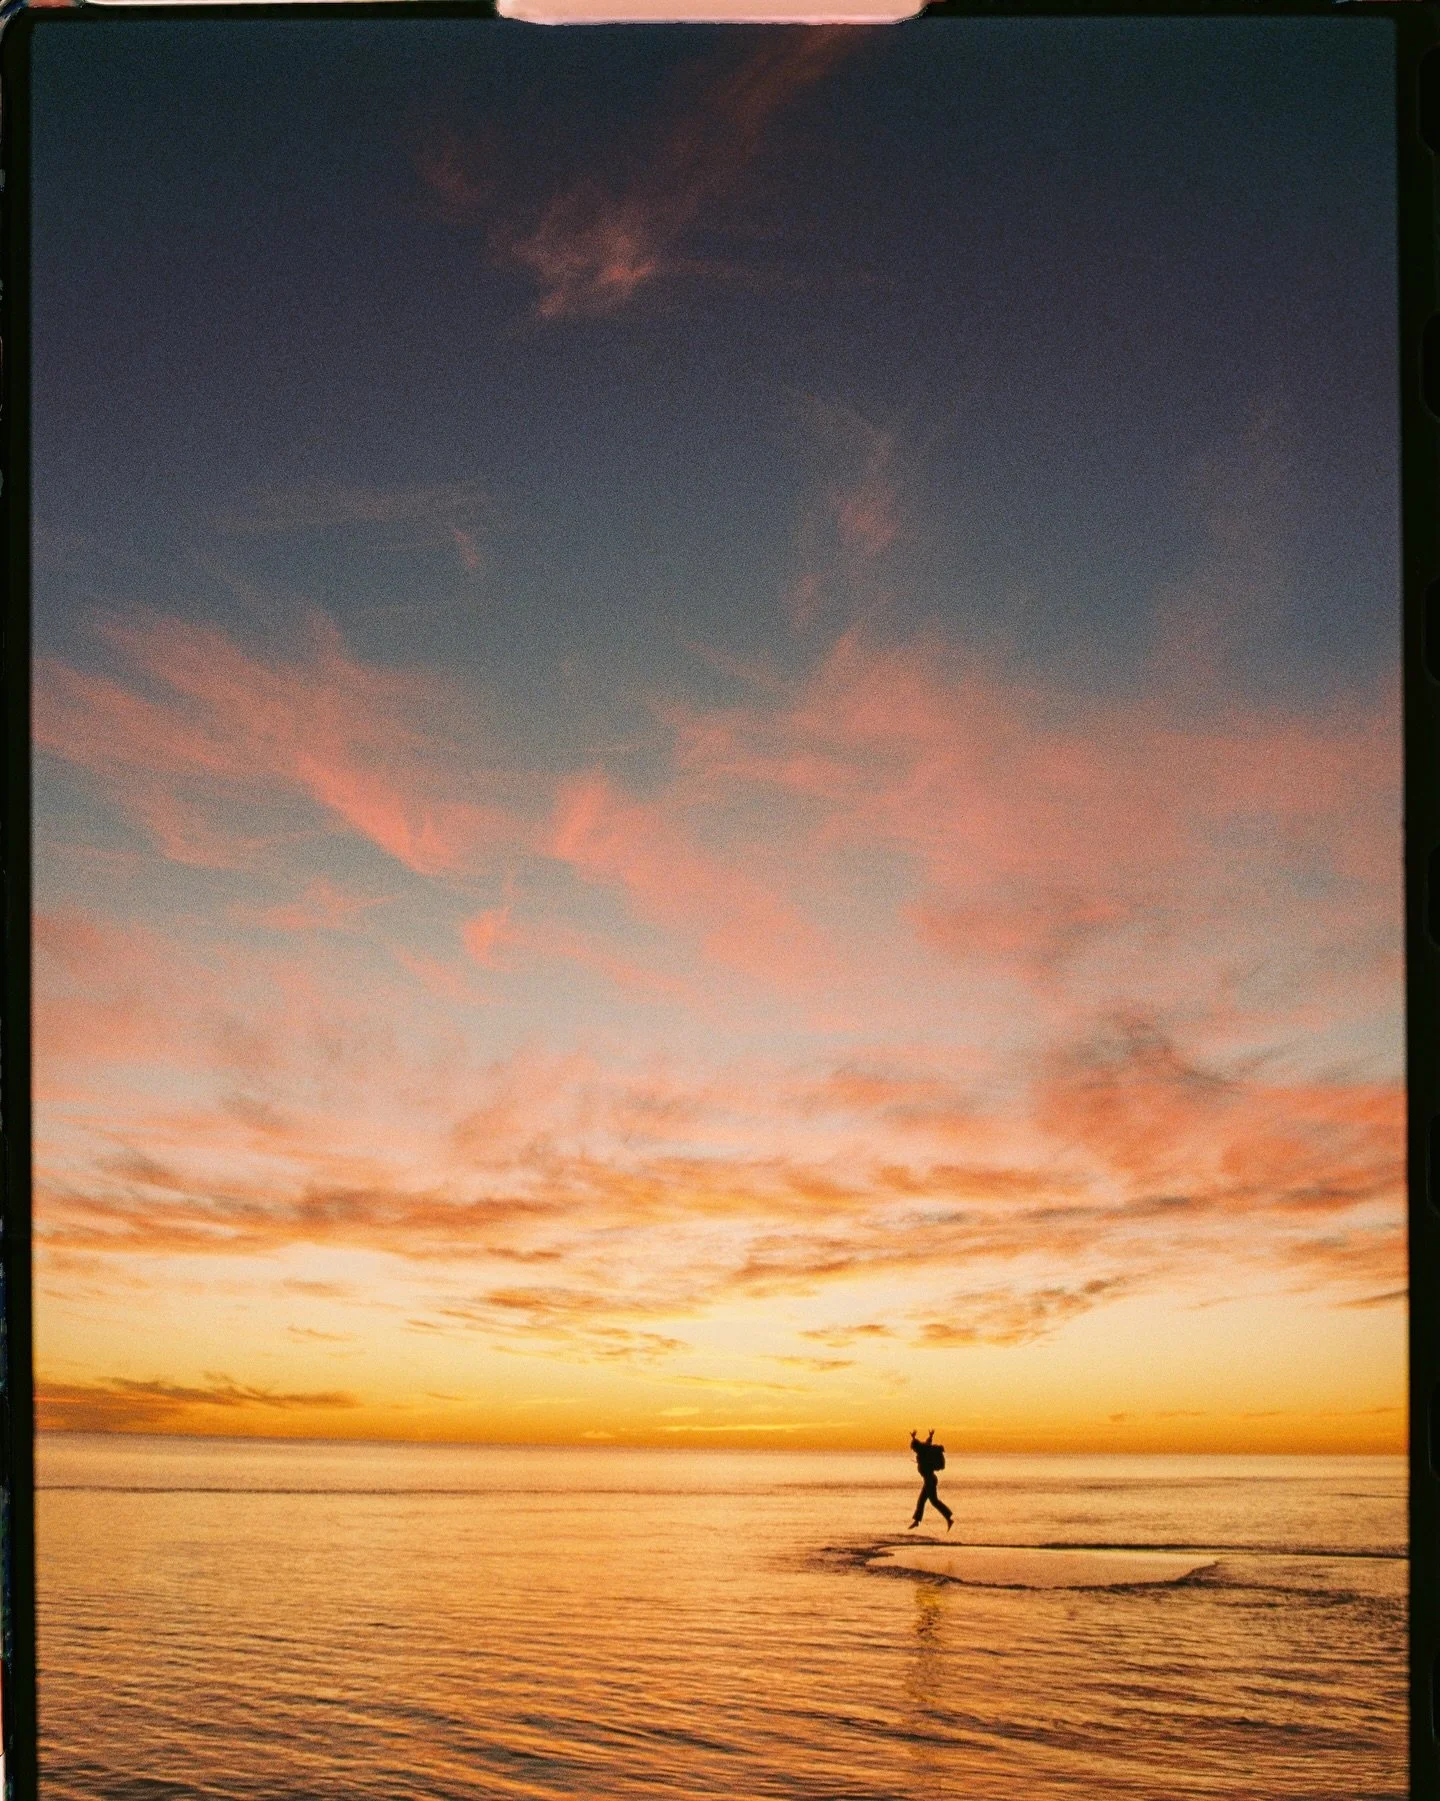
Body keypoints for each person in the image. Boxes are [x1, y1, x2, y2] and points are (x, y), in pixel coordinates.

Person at [908, 1427, 952, 1530]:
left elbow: (926, 1445)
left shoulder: (923, 1453)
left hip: (930, 1481)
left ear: (917, 1448)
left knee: (934, 1501)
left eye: (914, 1449)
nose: (913, 1451)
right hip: (930, 1480)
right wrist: (919, 1437)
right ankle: (917, 1521)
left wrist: (916, 1439)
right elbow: (927, 1443)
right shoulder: (923, 1451)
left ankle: (948, 1517)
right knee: (922, 1501)